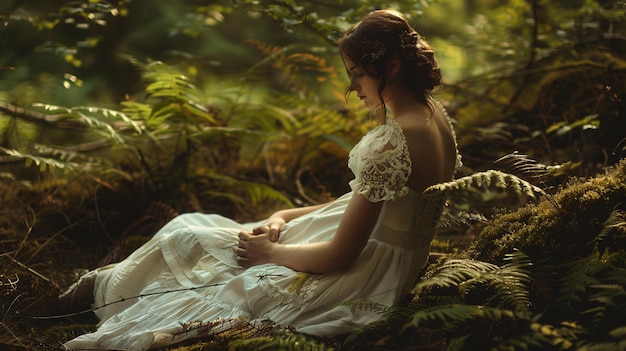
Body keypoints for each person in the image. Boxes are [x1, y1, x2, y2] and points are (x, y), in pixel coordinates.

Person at [61, 8, 461, 350]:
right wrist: (284, 214)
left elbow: (341, 256)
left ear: (391, 67)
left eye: (357, 74)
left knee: (192, 244)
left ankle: (95, 294)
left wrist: (269, 256)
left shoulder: (392, 141)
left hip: (362, 275)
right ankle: (98, 288)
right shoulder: (432, 115)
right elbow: (369, 201)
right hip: (378, 252)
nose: (352, 86)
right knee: (195, 229)